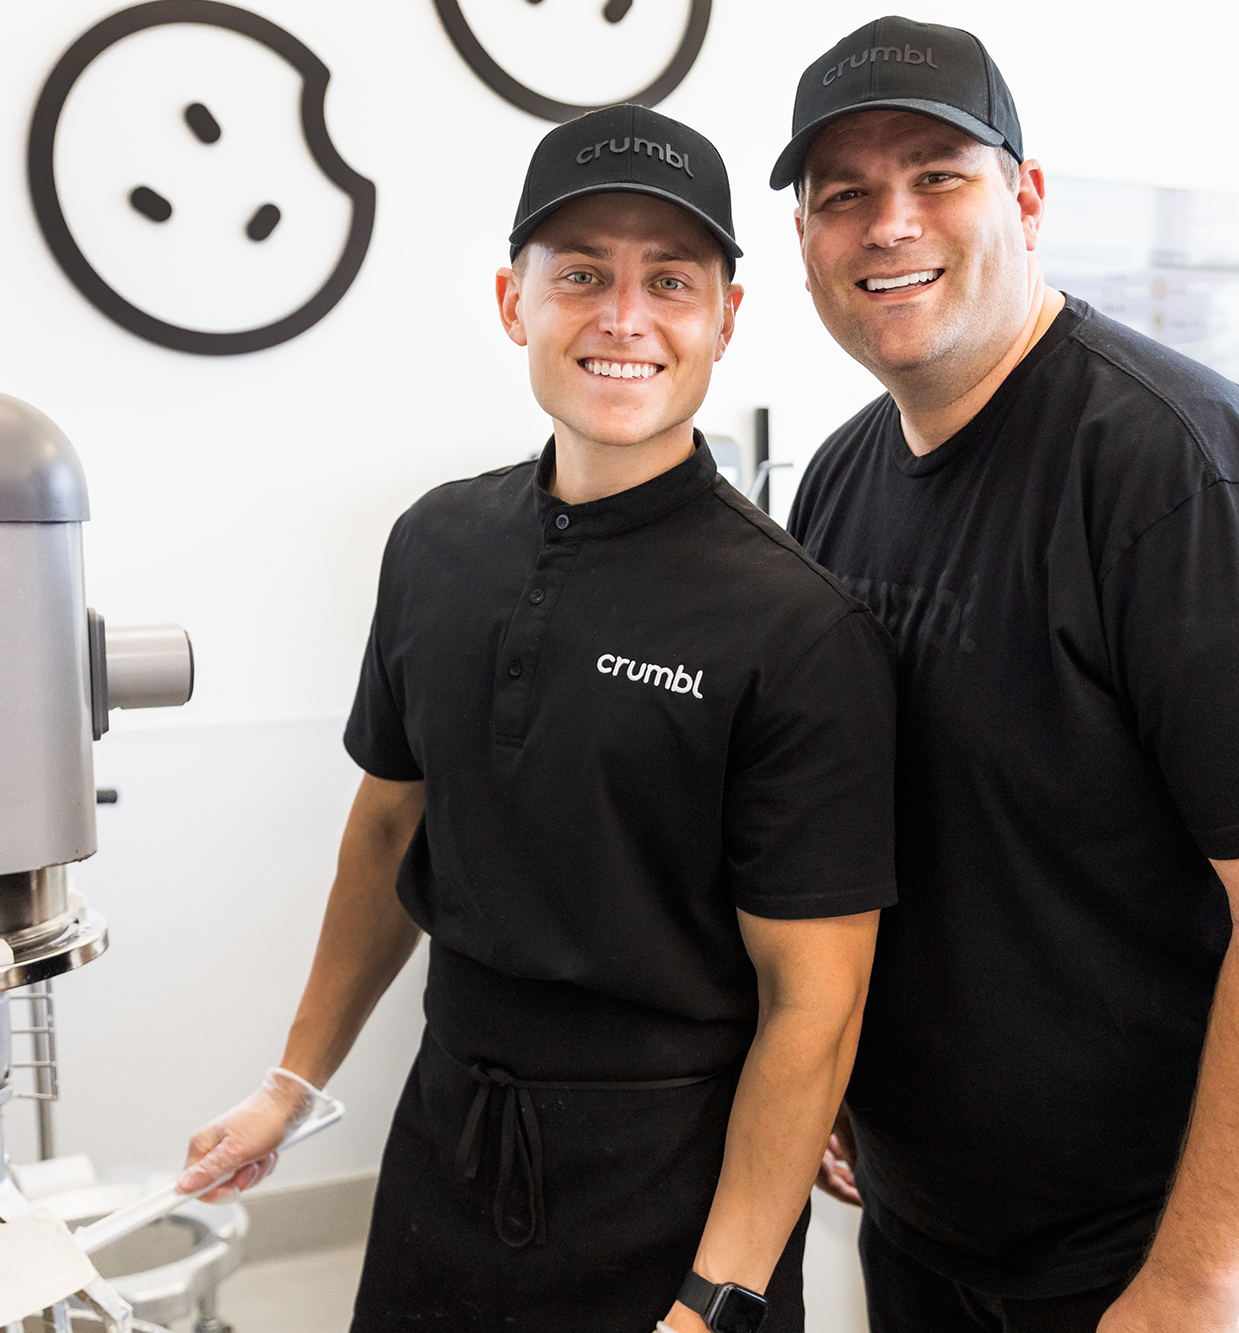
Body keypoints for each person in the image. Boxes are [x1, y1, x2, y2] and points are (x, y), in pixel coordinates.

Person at [179, 103, 898, 1332]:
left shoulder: (798, 626)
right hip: (444, 1141)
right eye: (581, 274)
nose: (623, 317)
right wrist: (291, 1082)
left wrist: (716, 1297)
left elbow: (813, 1006)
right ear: (515, 302)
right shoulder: (435, 543)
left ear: (725, 318)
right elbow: (387, 829)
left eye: (669, 280)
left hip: (669, 1184)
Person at [773, 14, 1239, 1333]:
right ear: (805, 240)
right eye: (843, 194)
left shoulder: (1188, 478)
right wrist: (835, 1073)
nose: (888, 223)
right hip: (935, 1234)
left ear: (1027, 198)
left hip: (1176, 1258)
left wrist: (1195, 1280)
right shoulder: (843, 478)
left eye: (936, 175)